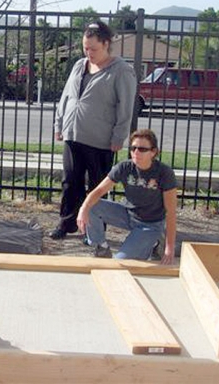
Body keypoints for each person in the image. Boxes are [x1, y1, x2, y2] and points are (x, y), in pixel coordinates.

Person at [51, 20, 137, 240]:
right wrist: (59, 124)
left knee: (98, 186)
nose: (88, 52)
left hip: (101, 140)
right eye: (85, 48)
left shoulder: (121, 71)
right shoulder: (79, 65)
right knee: (70, 181)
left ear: (106, 44)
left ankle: (94, 231)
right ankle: (66, 223)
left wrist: (119, 136)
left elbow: (125, 107)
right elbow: (66, 96)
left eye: (93, 49)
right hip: (73, 135)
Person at [76, 129, 177, 265]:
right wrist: (83, 209)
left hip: (150, 224)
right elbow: (99, 191)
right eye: (133, 148)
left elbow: (170, 212)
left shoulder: (164, 173)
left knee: (120, 262)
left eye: (142, 149)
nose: (136, 152)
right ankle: (101, 247)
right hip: (128, 214)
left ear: (153, 152)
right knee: (92, 205)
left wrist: (169, 249)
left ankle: (155, 243)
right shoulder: (125, 167)